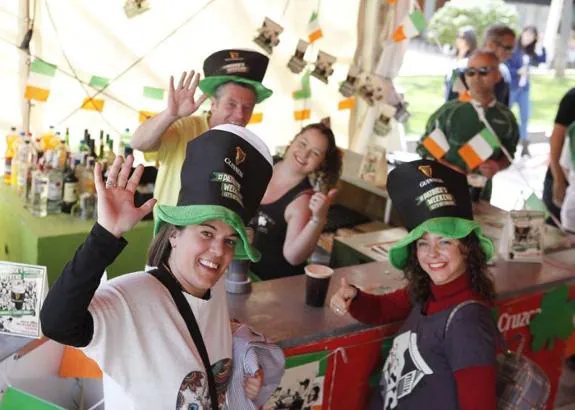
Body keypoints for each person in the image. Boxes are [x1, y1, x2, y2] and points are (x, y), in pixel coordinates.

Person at [40, 125, 274, 409]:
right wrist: (104, 236)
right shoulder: (132, 299)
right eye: (206, 233)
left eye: (229, 241)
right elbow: (57, 324)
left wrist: (241, 375)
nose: (218, 251)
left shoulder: (214, 290)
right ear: (174, 234)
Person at [330, 159, 497, 410]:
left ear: (467, 248)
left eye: (444, 242)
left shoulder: (468, 322)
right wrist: (354, 297)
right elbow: (384, 308)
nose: (432, 253)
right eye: (423, 243)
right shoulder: (427, 291)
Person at [131, 49, 272, 207]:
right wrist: (171, 115)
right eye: (231, 105)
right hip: (171, 230)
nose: (240, 115)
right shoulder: (186, 127)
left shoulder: (247, 147)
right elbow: (138, 142)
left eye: (247, 107)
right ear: (213, 104)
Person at [417, 49, 520, 201]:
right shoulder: (449, 113)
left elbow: (508, 154)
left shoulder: (506, 119)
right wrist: (449, 170)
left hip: (480, 198)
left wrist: (497, 166)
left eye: (483, 71)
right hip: (439, 194)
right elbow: (424, 151)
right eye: (471, 72)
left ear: (497, 75)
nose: (476, 77)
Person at [249, 122, 342, 280]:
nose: (304, 154)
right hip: (241, 274)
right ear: (293, 141)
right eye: (303, 143)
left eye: (315, 153)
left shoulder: (302, 201)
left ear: (321, 163)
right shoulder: (262, 164)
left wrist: (318, 219)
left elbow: (293, 257)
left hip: (272, 286)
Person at [446, 24, 516, 106]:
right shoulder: (461, 72)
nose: (510, 54)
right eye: (508, 48)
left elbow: (504, 113)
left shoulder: (504, 75)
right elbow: (450, 113)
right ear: (491, 45)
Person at [506, 26, 546, 156]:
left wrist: (541, 43)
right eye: (527, 34)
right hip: (512, 88)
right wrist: (517, 72)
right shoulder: (513, 49)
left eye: (532, 36)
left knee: (525, 116)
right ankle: (504, 140)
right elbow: (505, 67)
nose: (529, 37)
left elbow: (542, 59)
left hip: (524, 88)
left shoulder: (530, 51)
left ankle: (524, 145)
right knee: (506, 114)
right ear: (522, 33)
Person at [542, 88, 575, 226]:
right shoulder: (572, 98)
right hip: (560, 175)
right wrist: (559, 180)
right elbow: (556, 139)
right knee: (553, 230)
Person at [444, 26, 478, 100]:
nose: (458, 39)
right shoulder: (454, 60)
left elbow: (466, 92)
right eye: (457, 36)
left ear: (470, 40)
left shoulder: (470, 62)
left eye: (462, 37)